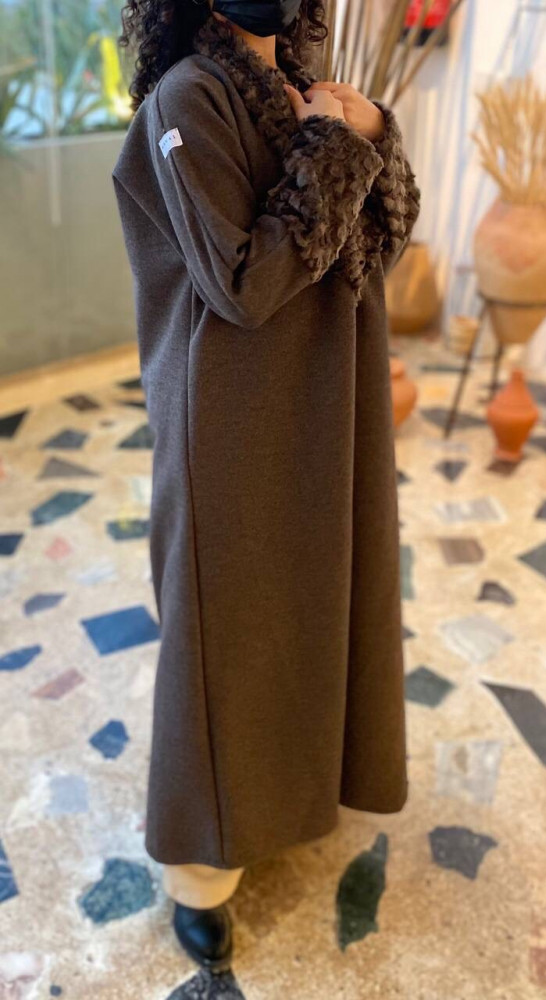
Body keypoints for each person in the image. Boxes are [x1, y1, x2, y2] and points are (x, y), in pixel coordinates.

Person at [112, 0, 420, 974]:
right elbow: (239, 284)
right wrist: (336, 142)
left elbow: (377, 241)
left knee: (311, 606)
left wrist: (369, 130)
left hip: (322, 401)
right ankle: (199, 872)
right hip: (231, 424)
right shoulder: (185, 100)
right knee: (225, 634)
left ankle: (292, 791)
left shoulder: (299, 89)